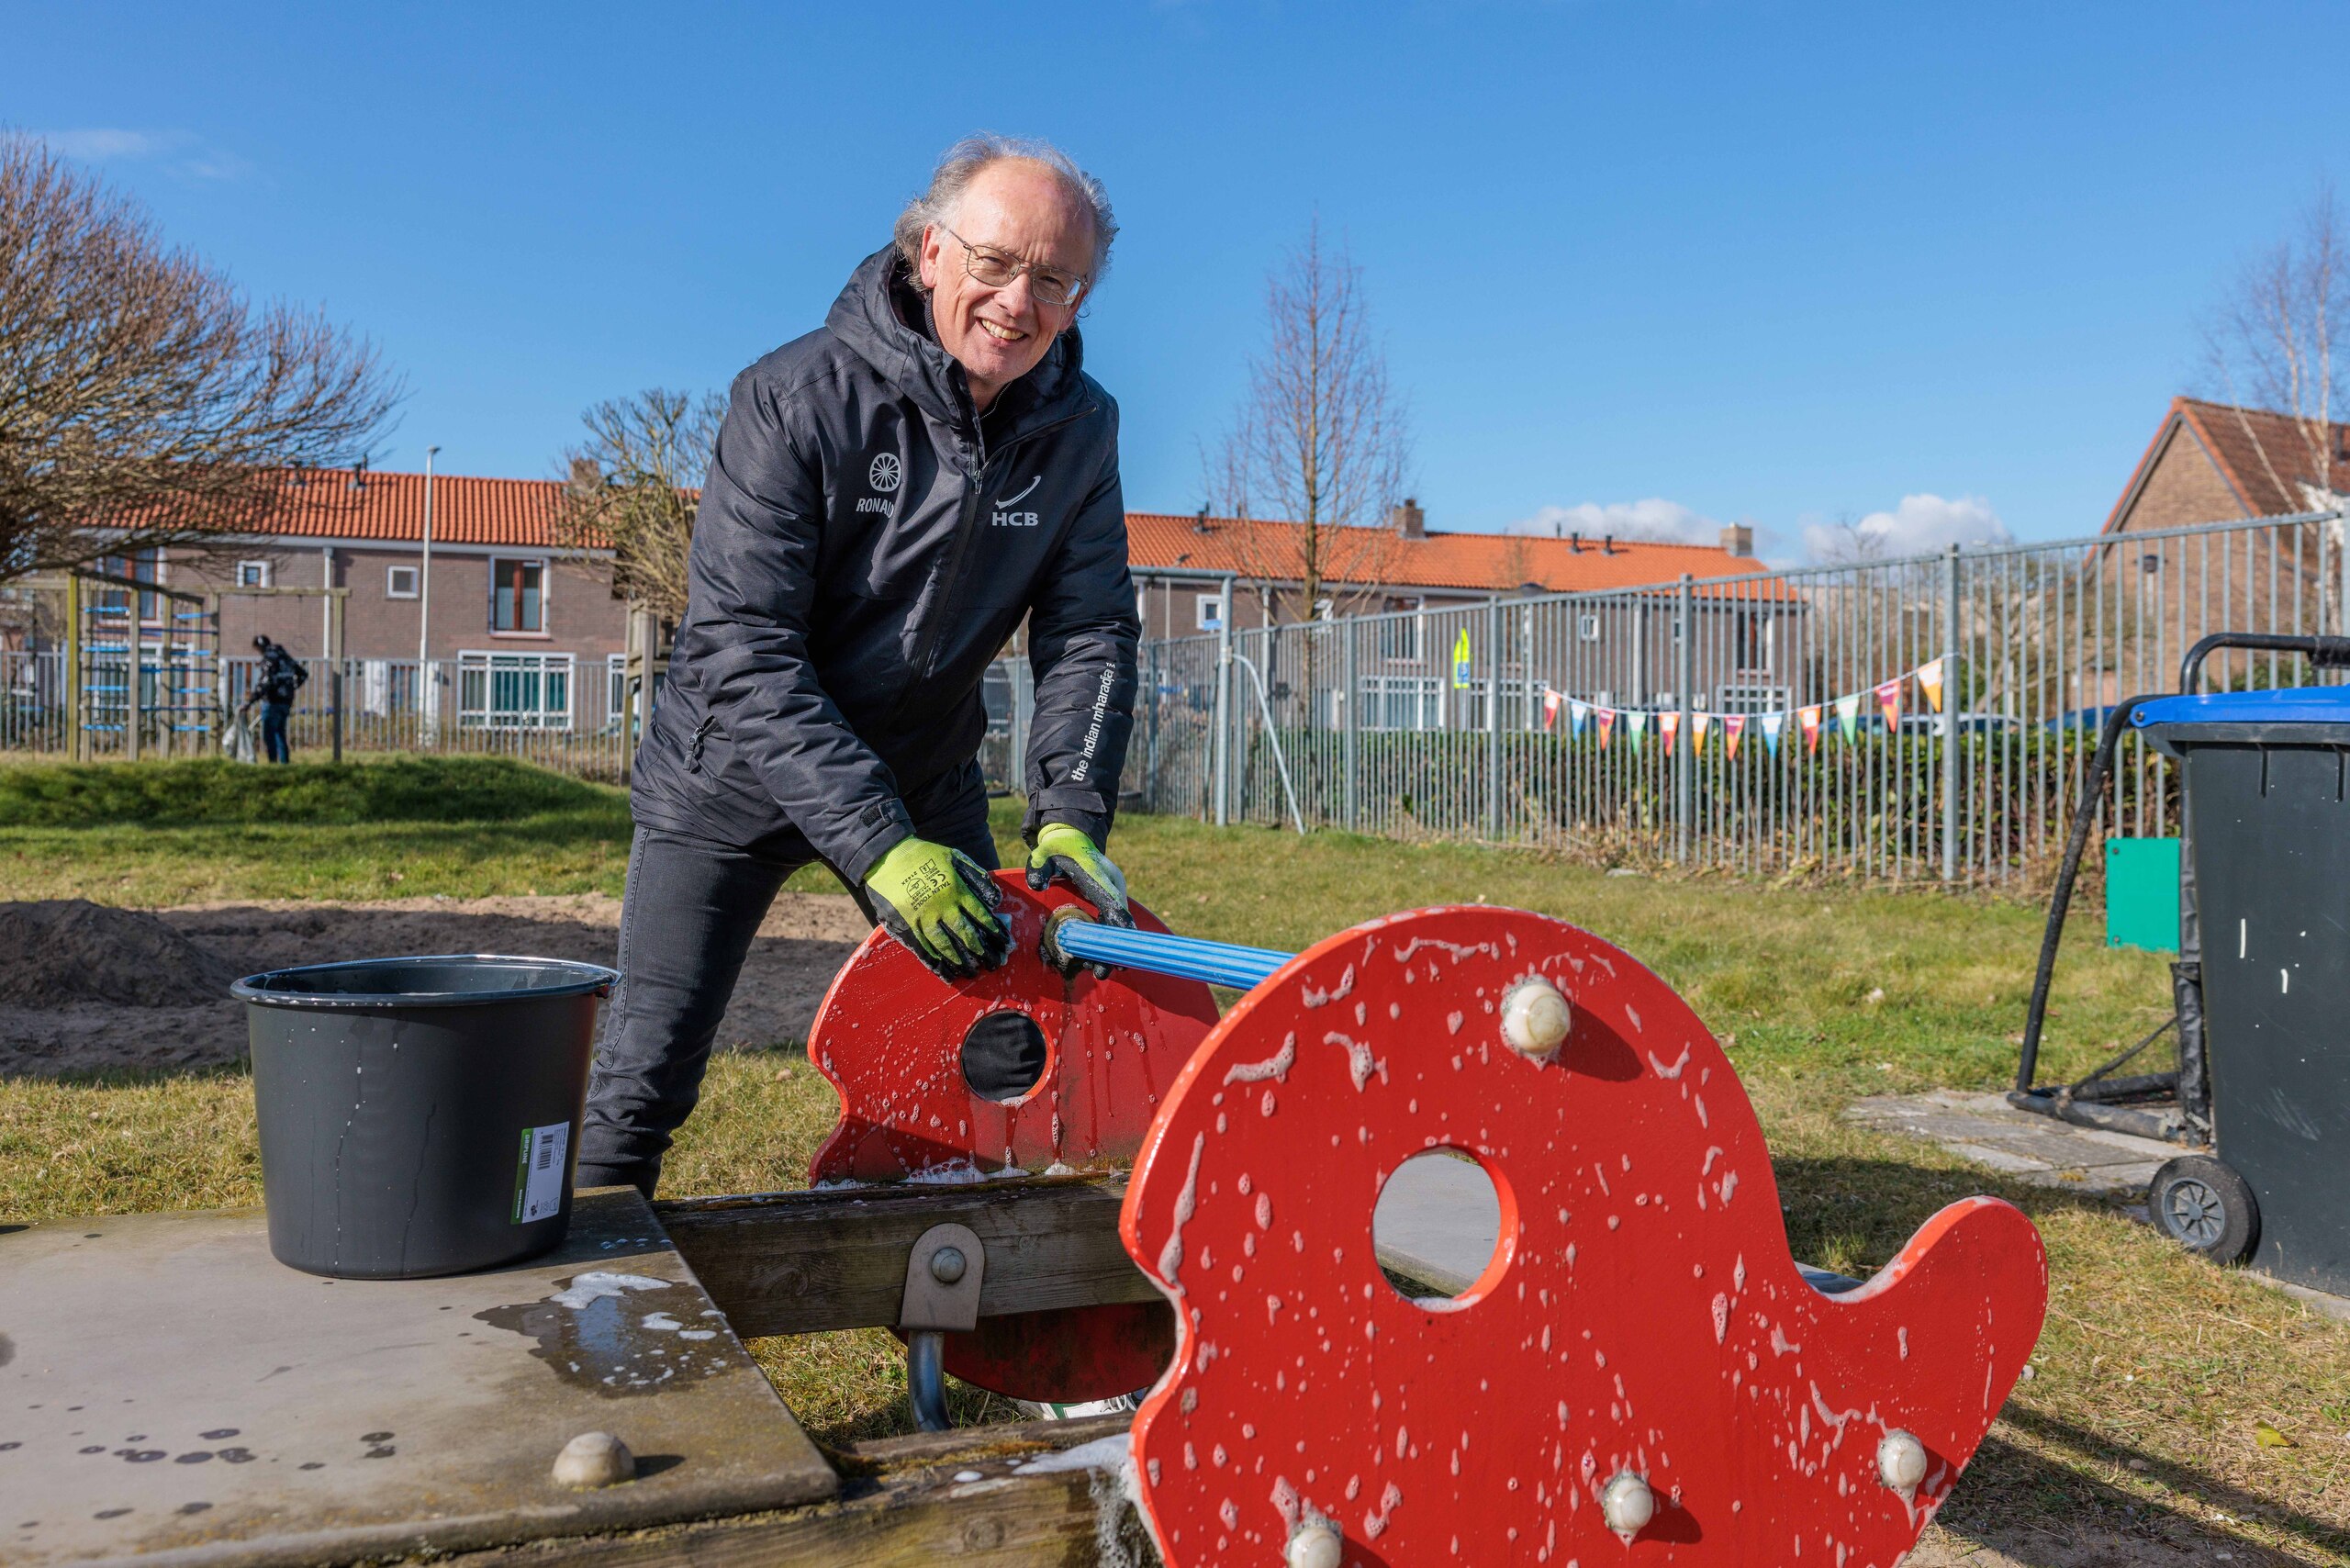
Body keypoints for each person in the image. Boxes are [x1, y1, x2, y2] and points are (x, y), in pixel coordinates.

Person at [576, 135, 1141, 1198]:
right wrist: (880, 846)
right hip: (731, 774)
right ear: (930, 252)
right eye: (994, 262)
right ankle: (583, 1317)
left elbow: (1091, 630)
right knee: (645, 1077)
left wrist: (1069, 809)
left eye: (1056, 281)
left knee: (1007, 1054)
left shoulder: (1082, 429)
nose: (1019, 303)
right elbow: (743, 644)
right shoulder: (792, 398)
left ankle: (970, 1308)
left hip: (925, 770)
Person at [241, 634, 307, 765]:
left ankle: (273, 763)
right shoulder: (285, 658)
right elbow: (303, 674)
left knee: (269, 734)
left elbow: (265, 683)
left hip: (272, 702)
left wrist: (250, 702)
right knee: (279, 733)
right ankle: (284, 763)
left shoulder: (269, 658)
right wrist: (291, 688)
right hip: (286, 701)